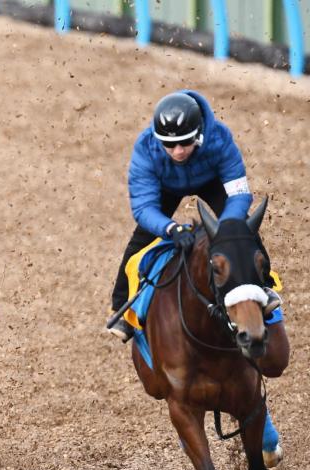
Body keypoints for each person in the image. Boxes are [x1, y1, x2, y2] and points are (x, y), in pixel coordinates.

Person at [108, 90, 281, 342]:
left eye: (185, 143)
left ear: (199, 134)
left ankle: (265, 287)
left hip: (210, 180)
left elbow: (239, 194)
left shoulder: (220, 138)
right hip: (167, 186)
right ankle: (122, 308)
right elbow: (144, 207)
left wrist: (228, 226)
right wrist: (170, 229)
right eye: (169, 145)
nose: (178, 151)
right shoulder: (145, 148)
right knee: (138, 245)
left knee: (242, 231)